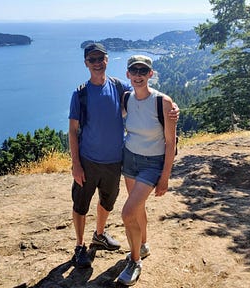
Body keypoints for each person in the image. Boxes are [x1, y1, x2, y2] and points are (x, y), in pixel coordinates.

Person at [68, 44, 179, 268]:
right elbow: (73, 130)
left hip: (115, 161)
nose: (97, 62)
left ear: (107, 60)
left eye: (101, 58)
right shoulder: (80, 94)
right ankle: (80, 246)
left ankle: (99, 235)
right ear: (86, 63)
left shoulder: (120, 87)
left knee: (107, 202)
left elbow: (144, 95)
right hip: (89, 160)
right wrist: (76, 164)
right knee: (81, 204)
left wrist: (173, 108)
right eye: (92, 59)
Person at [117, 55, 177, 286]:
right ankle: (142, 245)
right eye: (134, 71)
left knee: (127, 212)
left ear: (151, 74)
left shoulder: (163, 102)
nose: (139, 75)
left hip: (153, 164)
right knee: (137, 206)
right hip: (130, 159)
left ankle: (134, 262)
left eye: (144, 71)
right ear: (128, 74)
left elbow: (170, 143)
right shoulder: (126, 99)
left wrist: (165, 177)